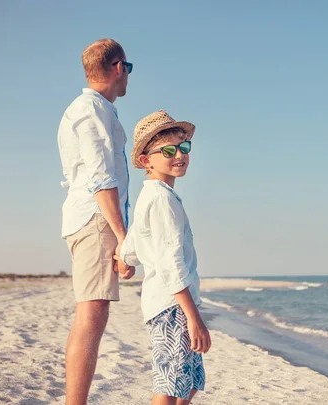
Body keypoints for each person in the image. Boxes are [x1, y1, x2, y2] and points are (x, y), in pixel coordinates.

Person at [57, 38, 135, 405]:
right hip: (95, 218)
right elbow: (102, 179)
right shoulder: (93, 110)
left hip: (89, 217)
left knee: (92, 312)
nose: (128, 78)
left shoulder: (92, 109)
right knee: (91, 314)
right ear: (118, 67)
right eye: (128, 69)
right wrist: (123, 237)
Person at [119, 110, 210, 405]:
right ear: (146, 160)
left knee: (190, 382)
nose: (179, 155)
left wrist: (125, 261)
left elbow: (132, 243)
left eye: (184, 147)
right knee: (171, 385)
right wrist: (193, 317)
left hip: (170, 303)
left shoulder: (154, 196)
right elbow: (172, 263)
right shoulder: (161, 200)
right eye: (168, 150)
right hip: (173, 306)